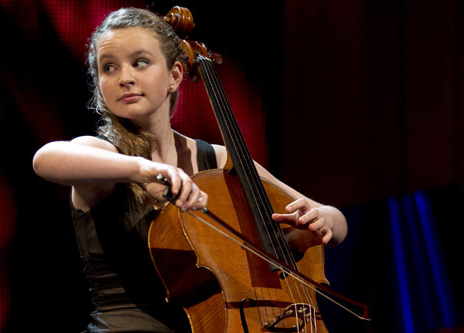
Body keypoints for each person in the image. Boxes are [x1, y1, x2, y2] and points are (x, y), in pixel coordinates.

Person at [32, 7, 347, 333]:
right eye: (108, 67)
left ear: (175, 75)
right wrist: (143, 169)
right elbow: (45, 159)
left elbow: (335, 223)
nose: (124, 77)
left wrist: (323, 220)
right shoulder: (107, 155)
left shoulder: (221, 160)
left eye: (140, 62)